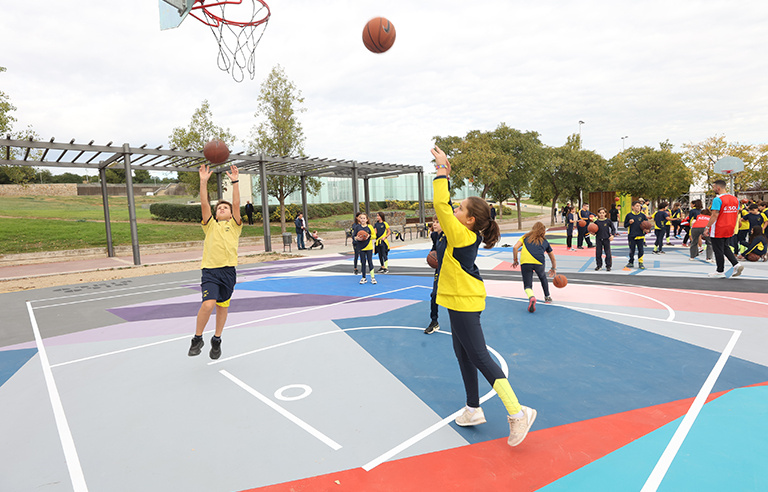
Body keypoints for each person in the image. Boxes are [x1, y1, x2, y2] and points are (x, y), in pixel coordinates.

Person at [431, 145, 537, 447]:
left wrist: (441, 172)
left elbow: (440, 204)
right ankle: (473, 409)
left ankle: (519, 413)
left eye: (460, 208)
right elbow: (446, 207)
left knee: (479, 356)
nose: (454, 209)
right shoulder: (463, 232)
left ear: (469, 220)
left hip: (464, 301)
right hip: (457, 300)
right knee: (463, 354)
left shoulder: (462, 234)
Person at [188, 164, 243, 360]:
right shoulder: (210, 225)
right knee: (208, 304)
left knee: (222, 307)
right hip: (210, 271)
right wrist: (203, 182)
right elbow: (204, 205)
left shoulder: (235, 226)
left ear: (230, 214)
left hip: (228, 272)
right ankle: (197, 337)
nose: (222, 209)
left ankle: (217, 339)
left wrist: (235, 182)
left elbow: (236, 204)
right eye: (219, 207)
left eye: (224, 207)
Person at [512, 222, 557, 312]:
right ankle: (547, 297)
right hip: (539, 262)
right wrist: (553, 268)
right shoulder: (544, 241)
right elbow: (552, 256)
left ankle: (531, 297)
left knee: (527, 284)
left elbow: (515, 248)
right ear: (543, 231)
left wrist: (515, 260)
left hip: (525, 262)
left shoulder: (525, 237)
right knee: (543, 277)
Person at [704, 180, 744, 278]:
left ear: (718, 188)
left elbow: (714, 215)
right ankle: (736, 264)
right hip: (730, 226)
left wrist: (707, 227)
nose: (713, 189)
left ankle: (720, 270)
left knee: (718, 249)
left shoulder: (718, 199)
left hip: (718, 227)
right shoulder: (735, 199)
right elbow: (737, 212)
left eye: (713, 187)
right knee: (725, 247)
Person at [425, 215, 444, 334]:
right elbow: (434, 250)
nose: (434, 224)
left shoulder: (450, 237)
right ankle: (434, 321)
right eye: (433, 222)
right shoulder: (434, 235)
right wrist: (431, 258)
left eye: (438, 222)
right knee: (434, 295)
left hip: (451, 271)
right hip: (439, 270)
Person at [352, 213, 377, 284]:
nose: (362, 220)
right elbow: (354, 236)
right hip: (361, 247)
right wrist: (357, 238)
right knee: (363, 262)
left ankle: (373, 277)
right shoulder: (357, 227)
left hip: (369, 247)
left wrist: (368, 236)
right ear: (359, 219)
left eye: (364, 218)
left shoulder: (370, 227)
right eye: (361, 218)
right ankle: (363, 277)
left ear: (367, 219)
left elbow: (374, 236)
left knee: (370, 262)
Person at [624, 200, 648, 269]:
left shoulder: (642, 215)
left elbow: (647, 225)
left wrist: (647, 230)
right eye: (637, 206)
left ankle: (641, 262)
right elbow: (625, 225)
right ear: (632, 207)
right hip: (632, 235)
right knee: (632, 250)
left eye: (639, 206)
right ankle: (631, 262)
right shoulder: (629, 215)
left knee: (641, 250)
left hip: (640, 235)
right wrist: (629, 223)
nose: (638, 207)